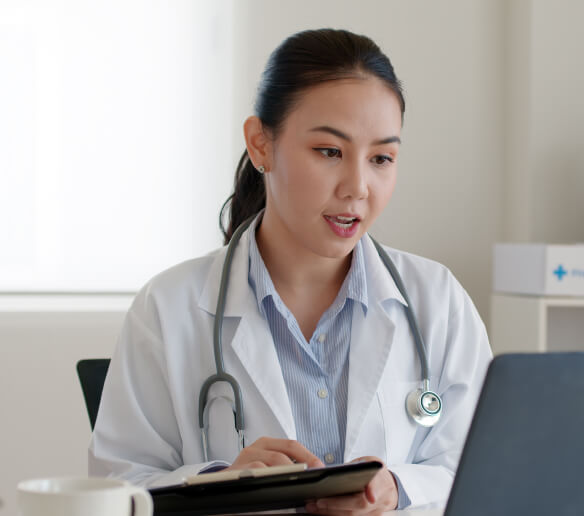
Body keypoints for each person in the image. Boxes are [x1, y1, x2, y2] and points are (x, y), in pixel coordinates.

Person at [88, 28, 492, 515]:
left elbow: (486, 473)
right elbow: (116, 491)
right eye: (329, 151)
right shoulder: (167, 308)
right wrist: (222, 483)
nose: (357, 187)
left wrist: (397, 489)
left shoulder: (438, 301)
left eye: (381, 158)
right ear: (261, 145)